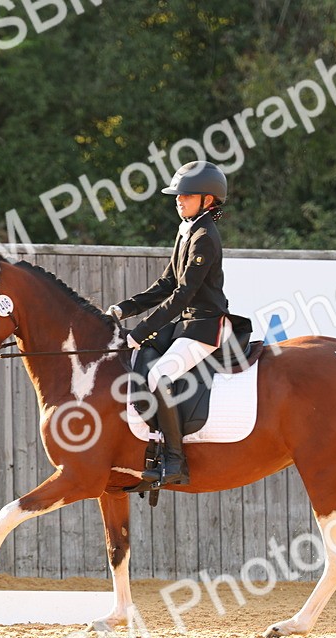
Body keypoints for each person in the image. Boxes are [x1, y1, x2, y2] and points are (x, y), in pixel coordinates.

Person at [106, 160, 233, 487]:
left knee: (160, 375)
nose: (179, 199)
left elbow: (182, 295)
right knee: (143, 355)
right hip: (186, 324)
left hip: (206, 326)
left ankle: (175, 460)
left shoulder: (205, 236)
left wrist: (140, 331)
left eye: (186, 195)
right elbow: (166, 284)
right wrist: (124, 309)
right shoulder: (187, 229)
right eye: (178, 194)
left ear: (207, 200)